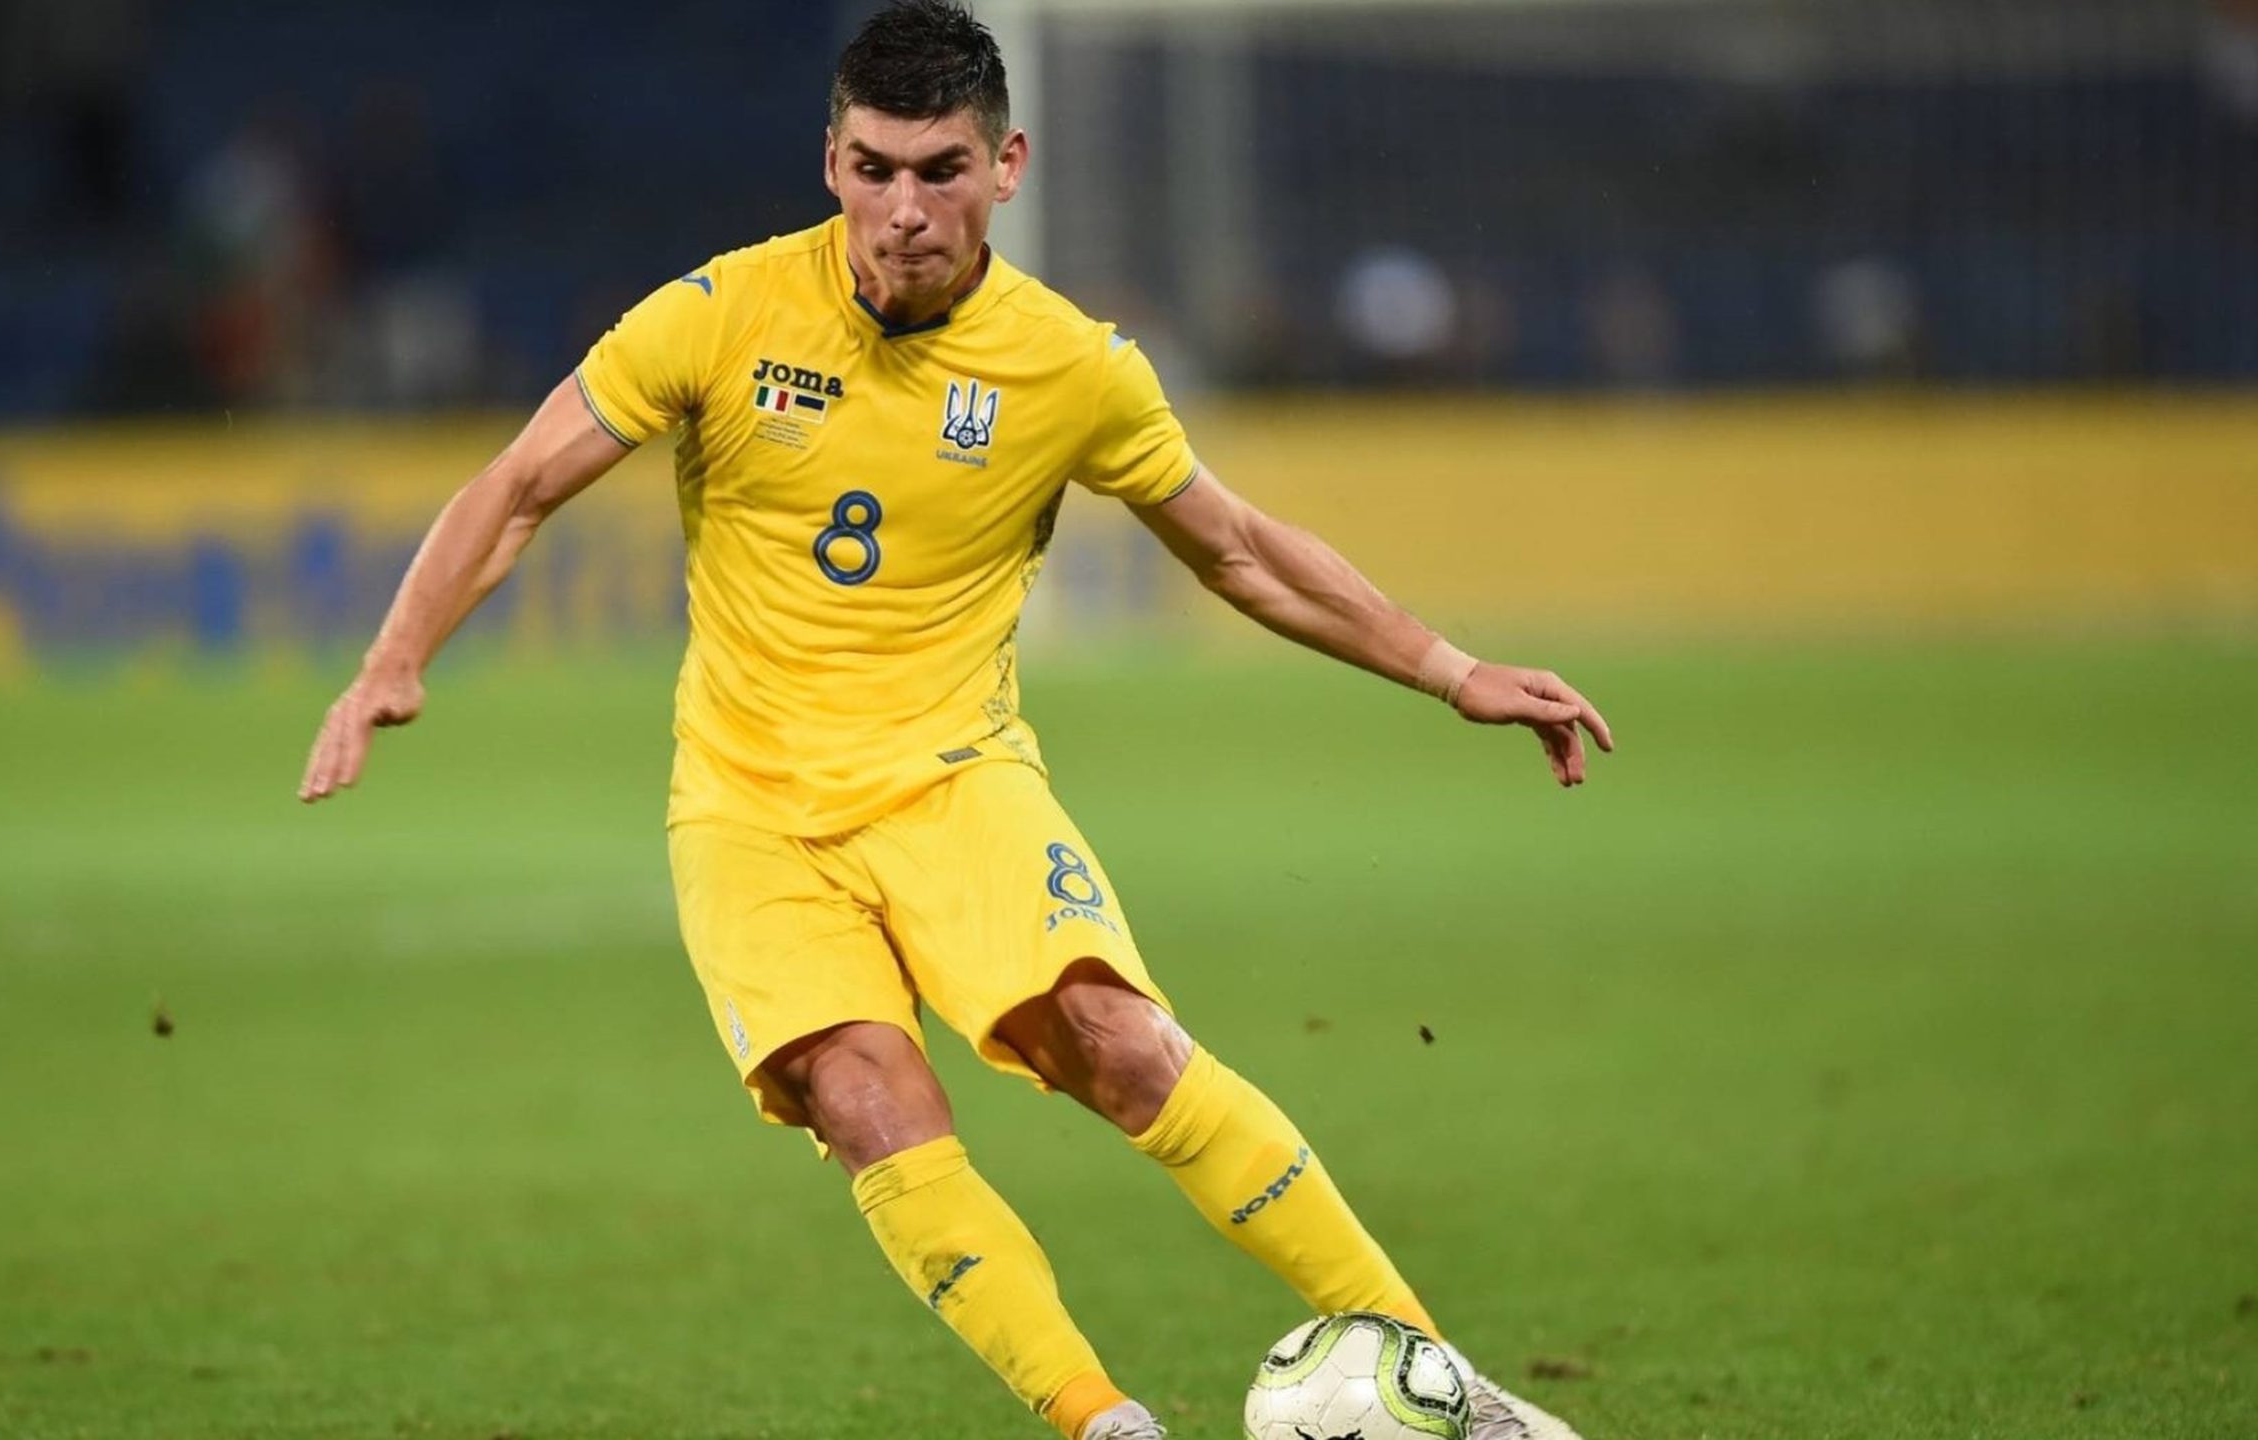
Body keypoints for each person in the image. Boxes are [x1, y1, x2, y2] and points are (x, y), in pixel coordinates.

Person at [298, 5, 1612, 1437]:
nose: (904, 211)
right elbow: (517, 487)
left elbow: (1236, 551)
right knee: (861, 1096)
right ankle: (1104, 1422)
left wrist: (1448, 669)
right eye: (873, 169)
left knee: (1116, 1043)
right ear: (831, 163)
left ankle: (1444, 1387)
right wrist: (394, 659)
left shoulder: (1070, 367)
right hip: (749, 814)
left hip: (954, 783)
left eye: (940, 171)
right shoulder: (719, 314)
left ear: (1007, 166)